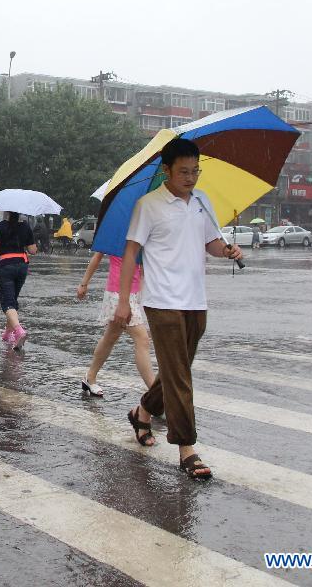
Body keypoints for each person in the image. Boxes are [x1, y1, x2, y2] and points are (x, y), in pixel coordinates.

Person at [115, 138, 242, 481]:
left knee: (177, 371)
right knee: (180, 377)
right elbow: (130, 253)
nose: (190, 178)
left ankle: (142, 412)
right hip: (161, 300)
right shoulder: (149, 205)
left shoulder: (202, 201)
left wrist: (227, 251)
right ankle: (187, 448)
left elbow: (210, 244)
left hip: (195, 300)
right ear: (167, 170)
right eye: (183, 171)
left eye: (195, 171)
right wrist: (124, 301)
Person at [77, 252, 154, 397]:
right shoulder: (116, 231)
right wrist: (84, 283)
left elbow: (142, 269)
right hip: (118, 294)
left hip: (133, 293)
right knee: (142, 339)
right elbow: (98, 256)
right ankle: (157, 393)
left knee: (110, 337)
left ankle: (90, 376)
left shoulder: (141, 232)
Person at [0, 212, 37, 350]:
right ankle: (7, 333)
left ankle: (19, 331)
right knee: (12, 300)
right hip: (22, 266)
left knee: (7, 302)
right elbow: (33, 250)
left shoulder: (0, 227)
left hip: (5, 266)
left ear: (6, 213)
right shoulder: (25, 227)